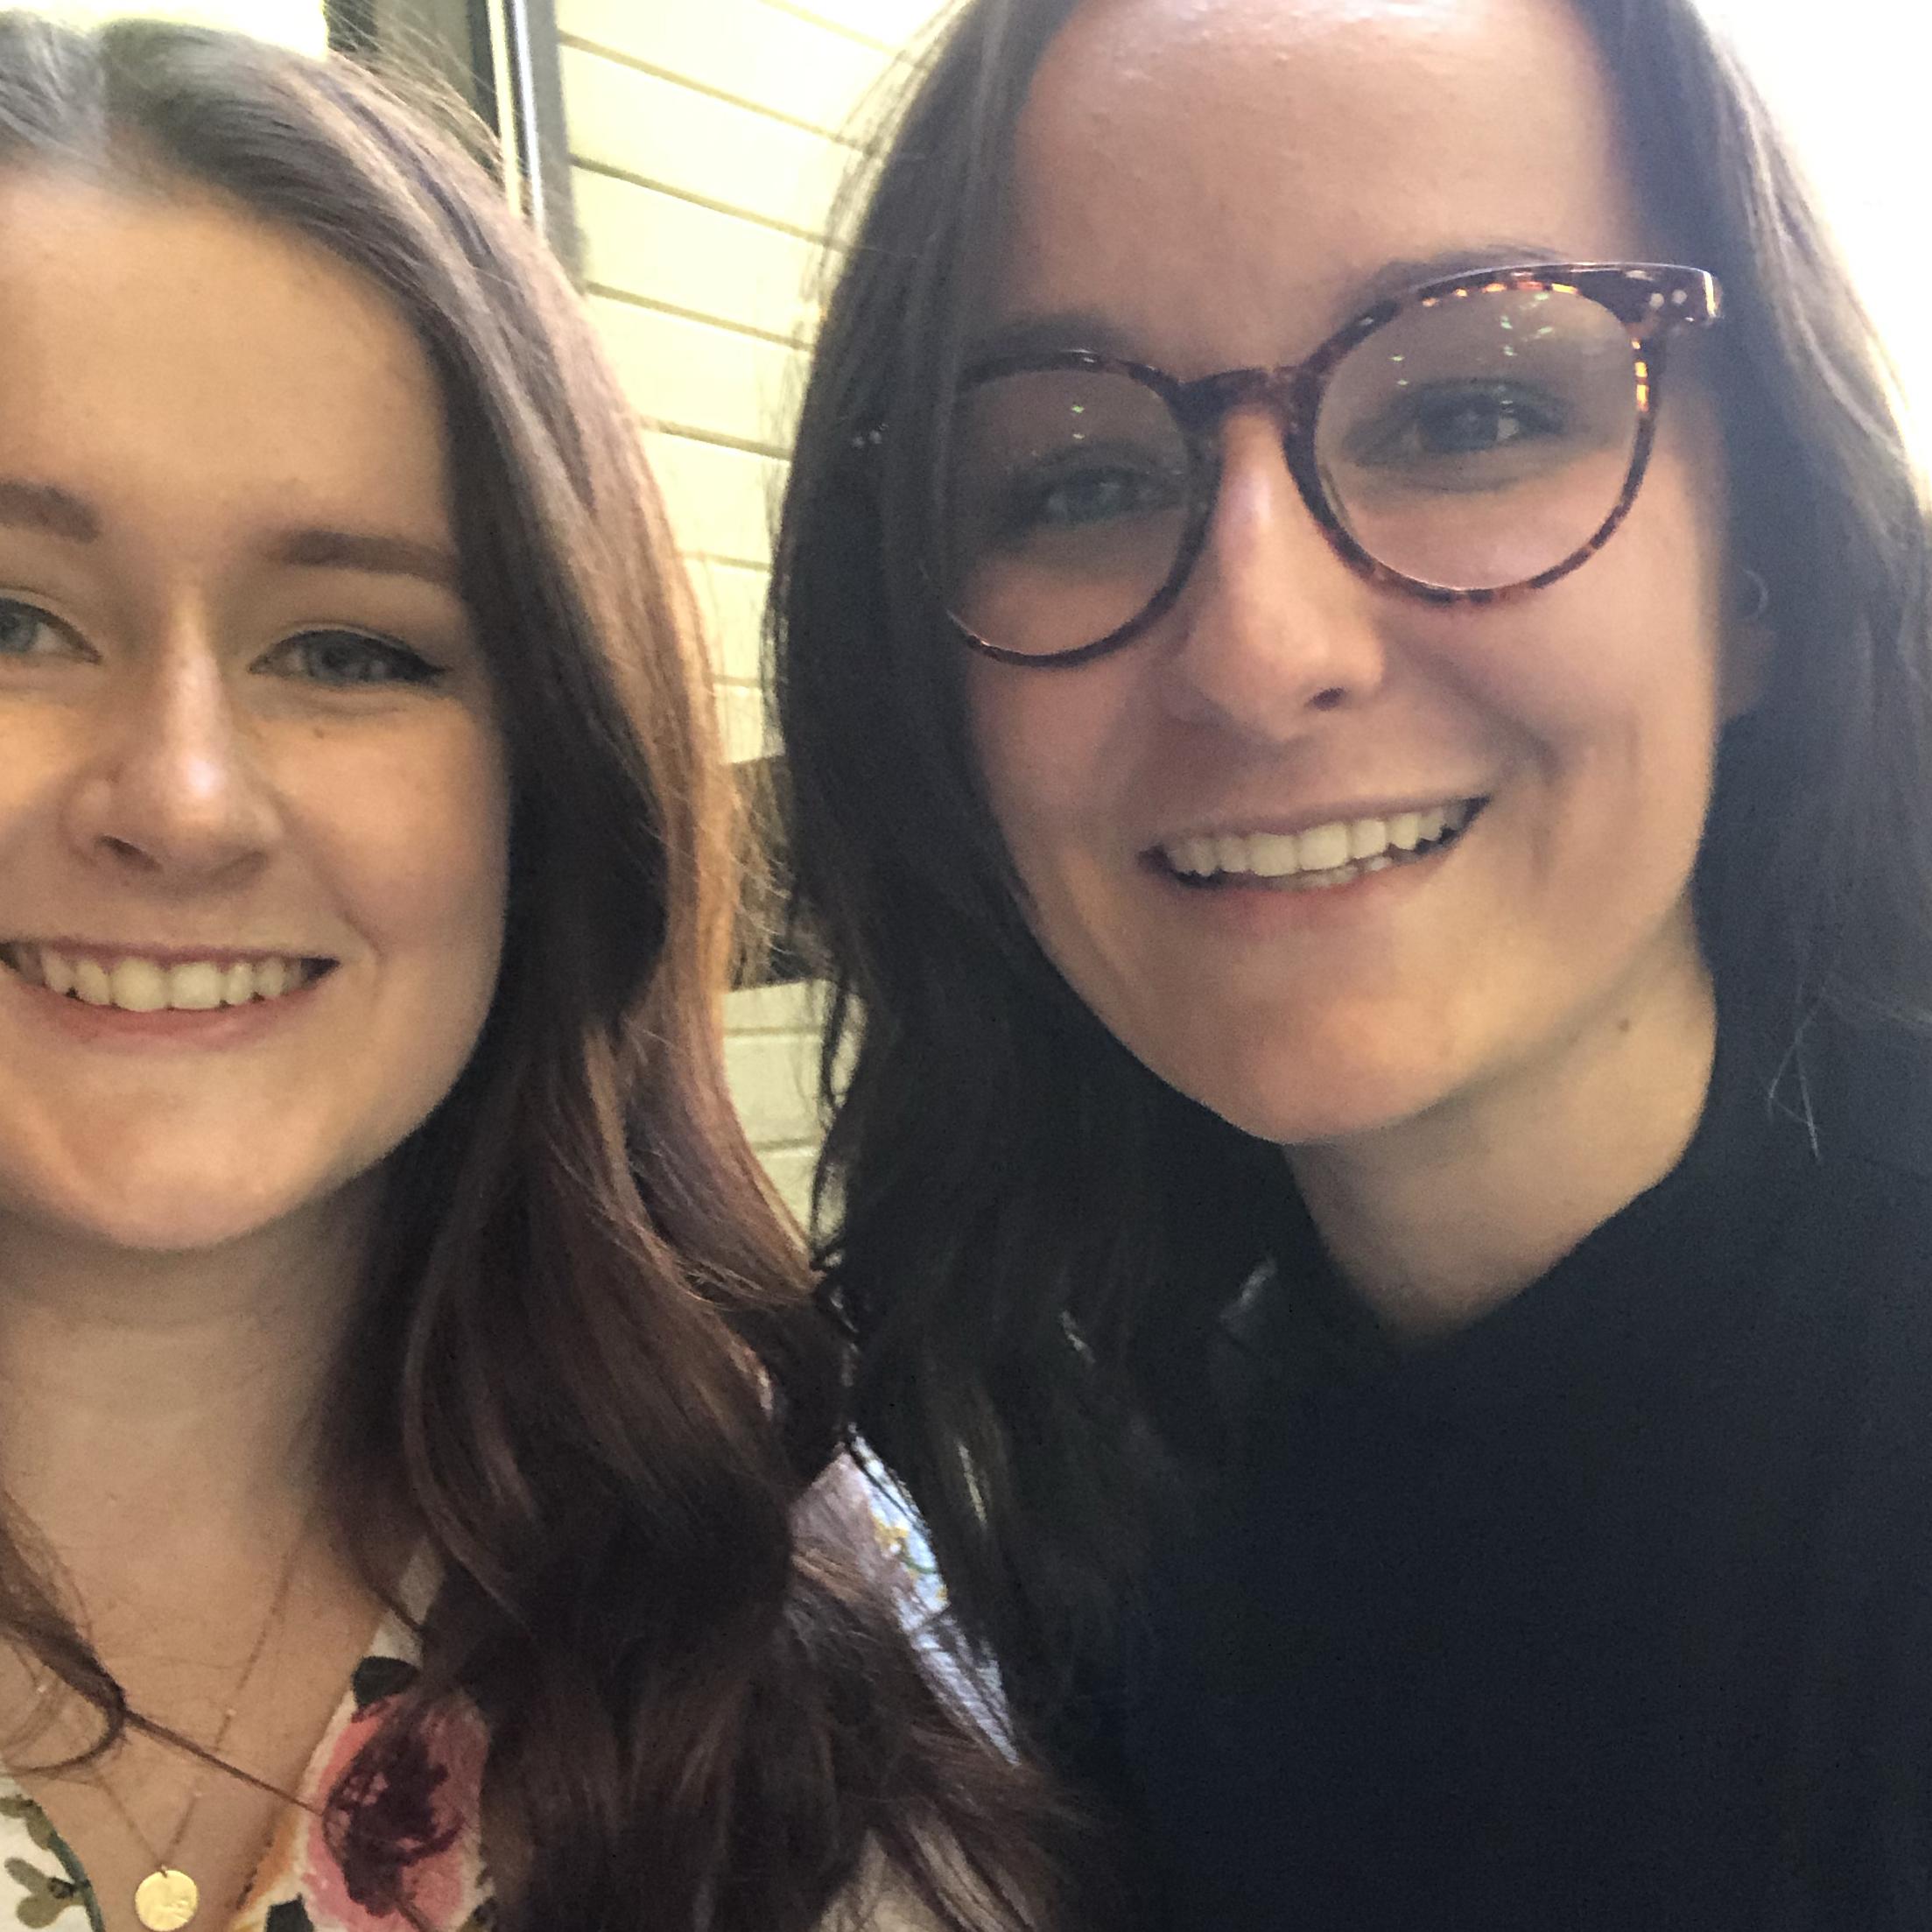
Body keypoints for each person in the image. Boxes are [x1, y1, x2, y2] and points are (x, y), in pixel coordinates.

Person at [769, 0, 1932, 1922]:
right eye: (1077, 479)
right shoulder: (1076, 1454)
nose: (1259, 646)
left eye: (1470, 412)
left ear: (1764, 580)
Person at [0, 14, 1068, 1932]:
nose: (178, 799)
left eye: (352, 651)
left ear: (554, 776)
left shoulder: (793, 1626)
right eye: (13, 621)